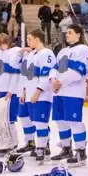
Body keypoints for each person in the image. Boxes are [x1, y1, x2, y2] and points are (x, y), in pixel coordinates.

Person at [50, 23, 88, 166]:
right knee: (60, 121)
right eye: (66, 32)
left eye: (70, 32)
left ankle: (80, 151)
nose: (67, 35)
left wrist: (59, 82)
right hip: (59, 92)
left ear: (78, 35)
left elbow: (78, 71)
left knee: (74, 121)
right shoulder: (62, 51)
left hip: (73, 92)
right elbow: (54, 68)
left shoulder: (83, 49)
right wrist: (53, 80)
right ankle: (66, 148)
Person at [24, 30, 55, 163]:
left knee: (41, 122)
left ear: (37, 39)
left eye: (29, 39)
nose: (27, 41)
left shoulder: (47, 53)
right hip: (30, 94)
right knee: (36, 122)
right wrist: (24, 91)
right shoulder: (31, 55)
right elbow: (28, 77)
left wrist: (38, 91)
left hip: (42, 95)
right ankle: (44, 144)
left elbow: (46, 75)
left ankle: (41, 148)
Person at [0, 33, 22, 153]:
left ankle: (13, 142)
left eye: (1, 44)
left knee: (8, 119)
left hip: (8, 92)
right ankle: (3, 142)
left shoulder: (13, 54)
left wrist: (11, 90)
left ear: (7, 43)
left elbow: (15, 74)